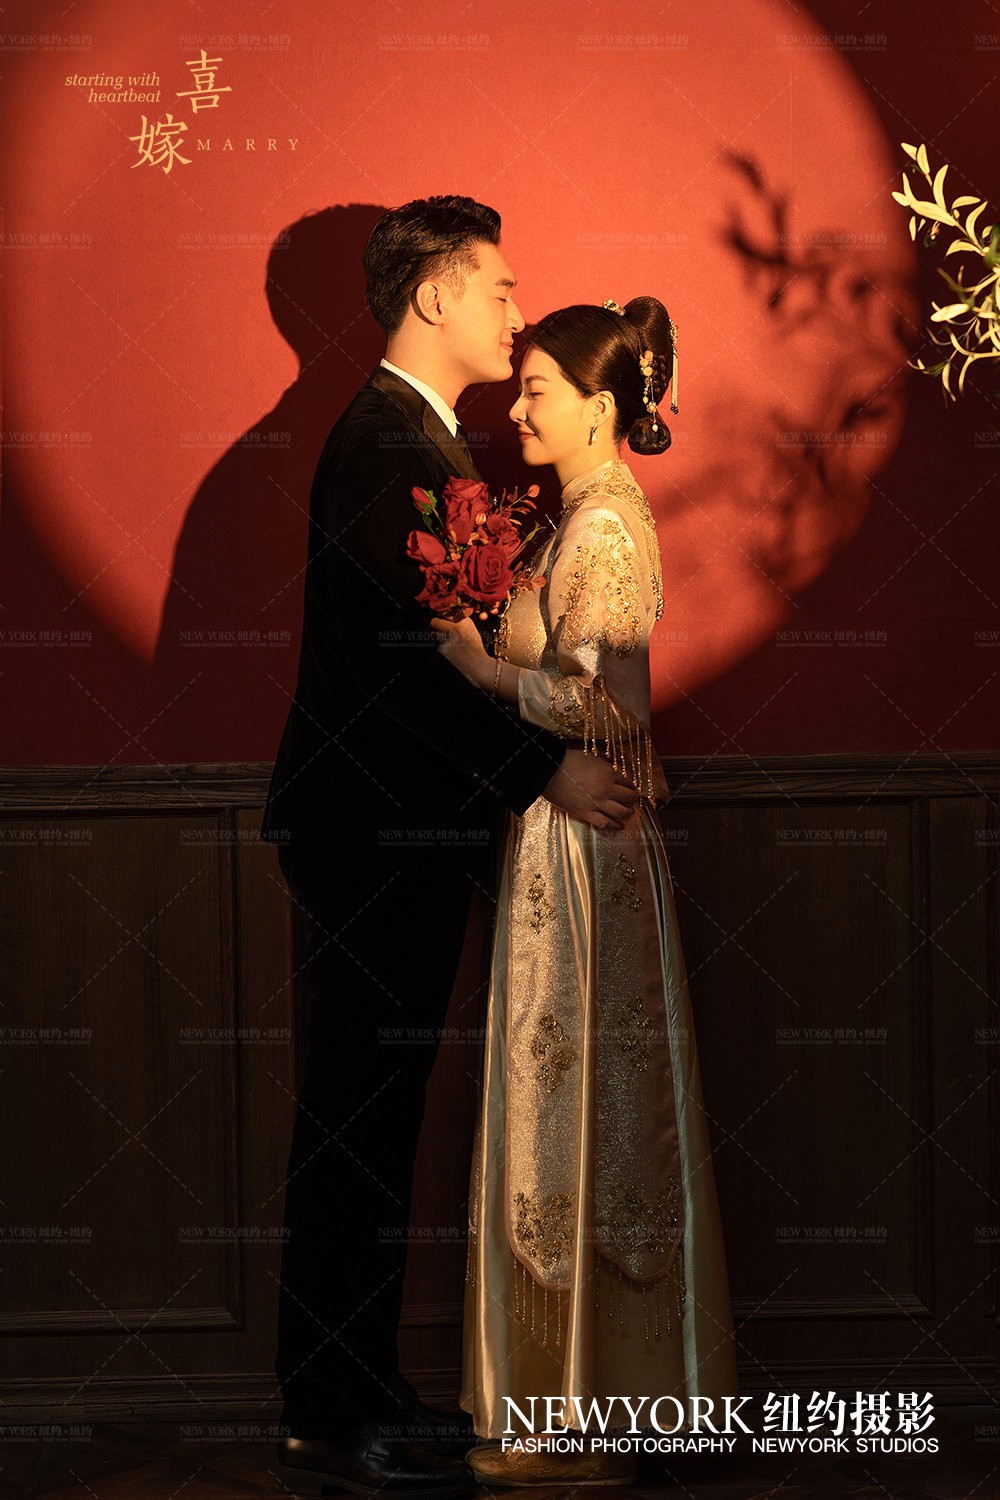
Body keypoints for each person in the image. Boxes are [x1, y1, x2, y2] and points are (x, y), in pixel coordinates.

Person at [259, 198, 644, 1499]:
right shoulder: (388, 444)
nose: (517, 313)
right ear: (434, 296)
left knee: (377, 1122)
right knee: (355, 1123)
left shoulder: (418, 438)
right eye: (500, 287)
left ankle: (362, 1392)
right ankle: (329, 1412)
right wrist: (547, 767)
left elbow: (459, 651)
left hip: (399, 833)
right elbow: (405, 670)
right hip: (370, 835)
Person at [430, 297, 741, 1486]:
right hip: (560, 836)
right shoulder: (580, 517)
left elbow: (607, 707)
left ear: (600, 406)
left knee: (581, 1108)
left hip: (582, 844)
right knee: (567, 1099)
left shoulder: (605, 524)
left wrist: (472, 663)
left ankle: (583, 1411)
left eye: (536, 392)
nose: (515, 410)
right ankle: (570, 1400)